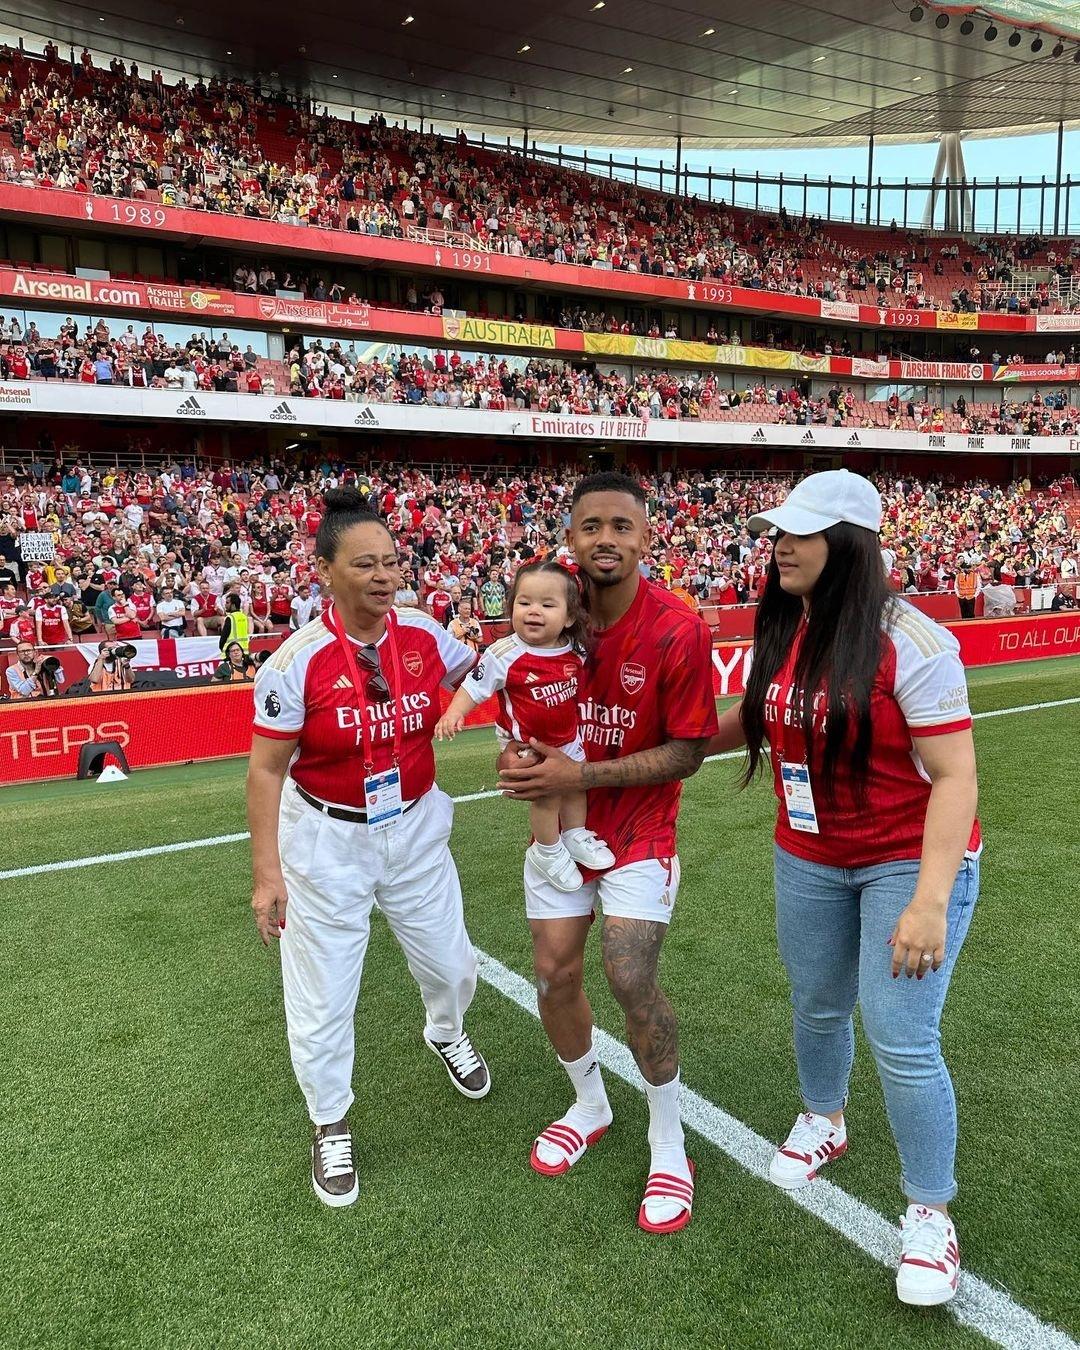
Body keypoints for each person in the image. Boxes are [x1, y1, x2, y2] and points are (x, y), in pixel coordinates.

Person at [715, 469, 979, 1308]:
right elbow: (749, 719)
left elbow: (956, 779)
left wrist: (930, 898)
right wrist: (636, 749)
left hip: (909, 856)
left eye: (799, 532)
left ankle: (930, 1213)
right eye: (776, 531)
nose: (779, 545)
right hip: (809, 853)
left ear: (852, 545)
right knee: (817, 1002)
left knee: (902, 1037)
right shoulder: (786, 622)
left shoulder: (916, 642)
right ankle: (825, 1118)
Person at [247, 487, 491, 1208]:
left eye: (392, 562)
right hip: (325, 841)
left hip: (414, 827)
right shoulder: (296, 662)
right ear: (324, 570)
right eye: (365, 565)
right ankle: (330, 1123)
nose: (385, 577)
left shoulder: (423, 634)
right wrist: (268, 874)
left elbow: (481, 674)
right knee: (324, 999)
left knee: (452, 965)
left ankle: (444, 1032)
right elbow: (265, 769)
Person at [497, 472, 718, 1233]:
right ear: (571, 538)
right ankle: (590, 1103)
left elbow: (690, 750)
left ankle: (668, 1138)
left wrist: (578, 774)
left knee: (630, 975)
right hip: (561, 830)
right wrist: (519, 765)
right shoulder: (548, 612)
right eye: (590, 526)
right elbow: (515, 711)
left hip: (640, 831)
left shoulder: (678, 628)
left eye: (621, 526)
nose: (605, 539)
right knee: (555, 974)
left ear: (646, 537)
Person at [436, 560, 615, 891]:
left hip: (568, 738)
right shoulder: (505, 653)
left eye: (548, 604)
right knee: (546, 795)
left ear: (570, 616)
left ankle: (575, 834)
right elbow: (473, 686)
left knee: (577, 785)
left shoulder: (576, 650)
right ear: (511, 606)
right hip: (526, 745)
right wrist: (454, 713)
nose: (534, 611)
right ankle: (546, 851)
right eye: (524, 602)